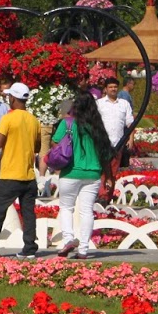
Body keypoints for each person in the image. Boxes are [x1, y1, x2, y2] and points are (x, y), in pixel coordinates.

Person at [0, 82, 43, 258]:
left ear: (13, 98)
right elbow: (37, 146)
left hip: (10, 175)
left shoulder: (8, 118)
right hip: (28, 175)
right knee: (29, 213)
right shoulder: (33, 120)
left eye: (9, 96)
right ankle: (30, 248)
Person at [50, 92, 113, 260]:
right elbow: (105, 154)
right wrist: (108, 176)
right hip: (93, 174)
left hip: (71, 172)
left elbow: (55, 142)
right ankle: (84, 249)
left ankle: (68, 238)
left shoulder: (68, 123)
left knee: (66, 207)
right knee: (87, 211)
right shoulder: (97, 127)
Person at [95, 76, 135, 164]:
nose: (113, 89)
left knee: (115, 170)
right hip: (103, 143)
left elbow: (130, 123)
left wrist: (131, 139)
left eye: (115, 87)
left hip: (119, 143)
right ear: (105, 89)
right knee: (102, 170)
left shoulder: (124, 104)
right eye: (110, 87)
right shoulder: (99, 103)